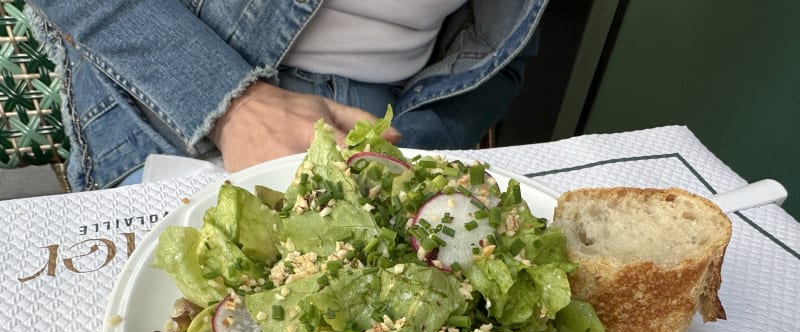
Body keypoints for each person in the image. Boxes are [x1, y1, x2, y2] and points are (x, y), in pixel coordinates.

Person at [26, 0, 547, 192]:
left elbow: (504, 54)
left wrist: (399, 147)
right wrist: (236, 106)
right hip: (176, 93)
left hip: (397, 114)